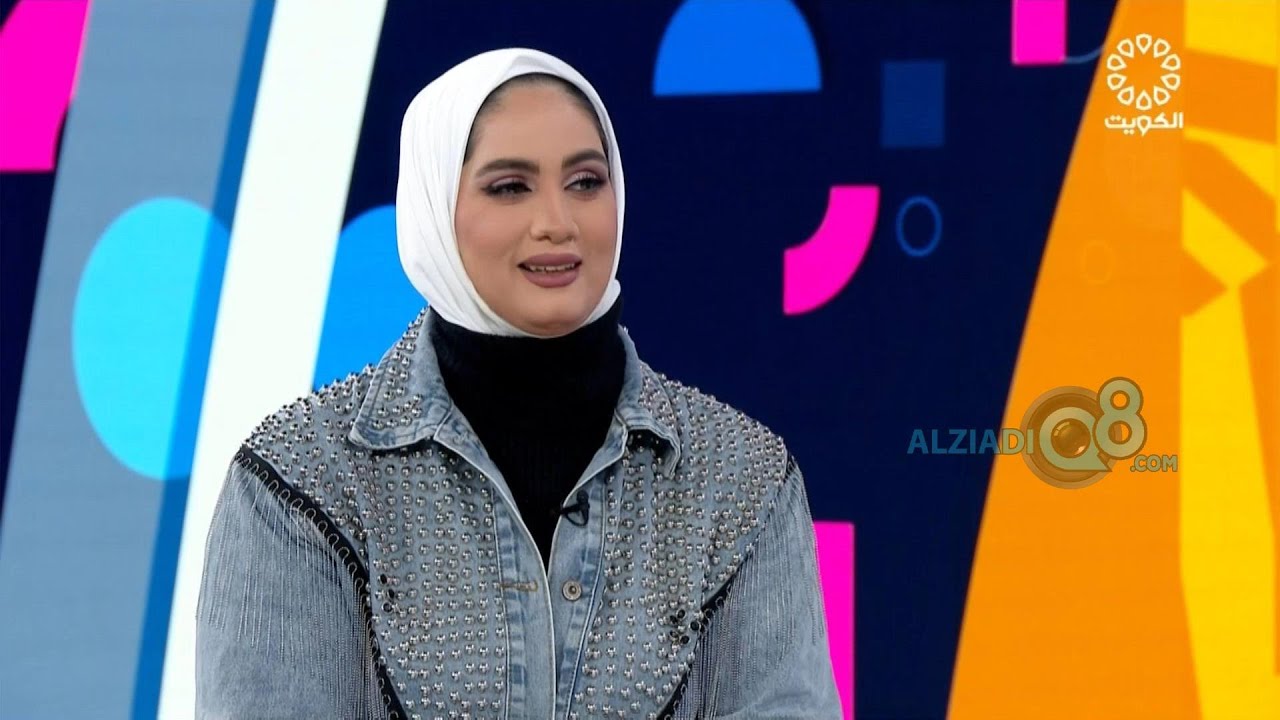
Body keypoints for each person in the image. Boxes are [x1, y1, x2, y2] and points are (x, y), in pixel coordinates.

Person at [195, 47, 841, 719]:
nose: (557, 222)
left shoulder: (741, 478)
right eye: (510, 187)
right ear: (434, 207)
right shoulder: (299, 481)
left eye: (585, 182)